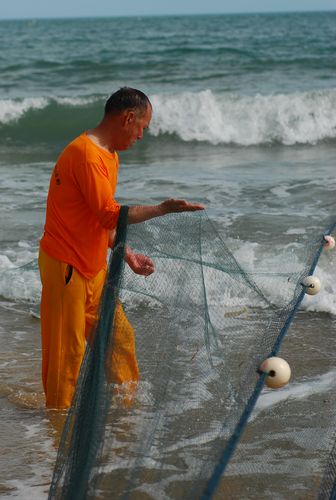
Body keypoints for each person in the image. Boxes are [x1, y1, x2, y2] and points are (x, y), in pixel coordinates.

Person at [39, 87, 204, 409]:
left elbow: (97, 219)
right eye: (142, 126)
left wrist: (125, 253)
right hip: (66, 267)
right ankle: (56, 425)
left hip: (93, 266)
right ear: (128, 118)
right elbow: (109, 213)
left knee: (120, 339)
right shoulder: (87, 155)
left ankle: (125, 410)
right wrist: (162, 209)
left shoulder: (109, 155)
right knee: (67, 355)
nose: (142, 135)